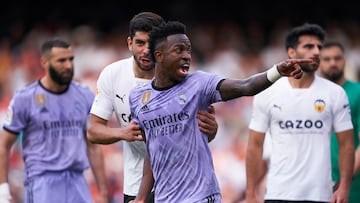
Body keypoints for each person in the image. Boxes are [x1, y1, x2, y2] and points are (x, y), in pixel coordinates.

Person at [128, 20, 312, 203]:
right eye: (179, 50)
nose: (186, 56)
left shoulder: (199, 84)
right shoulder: (138, 98)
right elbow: (152, 150)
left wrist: (277, 71)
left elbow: (245, 86)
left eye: (188, 50)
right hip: (164, 199)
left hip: (201, 196)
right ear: (159, 56)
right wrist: (141, 198)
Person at [86, 12, 219, 203]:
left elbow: (202, 136)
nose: (146, 50)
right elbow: (93, 131)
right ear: (129, 43)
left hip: (181, 185)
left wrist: (212, 130)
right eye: (140, 43)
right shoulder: (113, 74)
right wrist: (123, 133)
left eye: (151, 43)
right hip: (136, 184)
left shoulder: (182, 78)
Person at [246, 23, 355, 203]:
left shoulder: (335, 93)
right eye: (309, 46)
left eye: (319, 47)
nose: (316, 52)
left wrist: (344, 188)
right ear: (291, 52)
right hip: (278, 193)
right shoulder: (267, 93)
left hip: (320, 194)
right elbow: (254, 146)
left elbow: (347, 145)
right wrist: (250, 193)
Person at [0, 38, 108, 203]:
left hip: (77, 181)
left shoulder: (84, 95)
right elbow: (4, 144)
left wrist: (103, 192)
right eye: (61, 61)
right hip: (42, 182)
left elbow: (93, 146)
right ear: (44, 62)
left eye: (71, 59)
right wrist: (3, 189)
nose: (68, 65)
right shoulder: (25, 98)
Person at [318, 41, 360, 203]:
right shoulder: (312, 95)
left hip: (351, 187)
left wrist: (343, 182)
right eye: (327, 59)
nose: (333, 63)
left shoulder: (357, 92)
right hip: (317, 185)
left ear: (345, 61)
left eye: (337, 58)